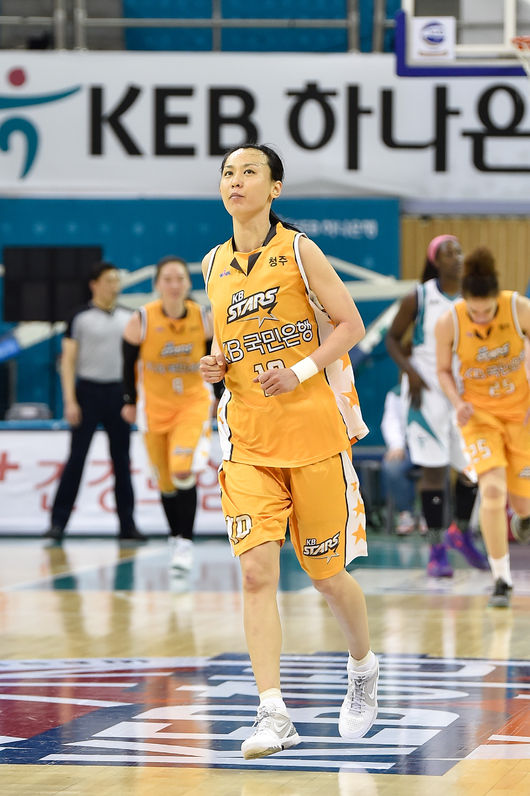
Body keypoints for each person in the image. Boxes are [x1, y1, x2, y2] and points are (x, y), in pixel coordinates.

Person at [199, 143, 379, 760]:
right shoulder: (212, 263)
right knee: (255, 573)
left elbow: (351, 326)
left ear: (274, 187)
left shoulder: (300, 250)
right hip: (248, 444)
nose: (236, 180)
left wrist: (300, 371)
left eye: (249, 171)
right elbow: (227, 343)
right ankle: (273, 712)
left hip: (313, 438)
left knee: (327, 577)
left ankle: (363, 666)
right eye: (228, 172)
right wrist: (215, 365)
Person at [386, 235, 488, 576]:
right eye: (449, 252)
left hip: (463, 394)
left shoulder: (473, 298)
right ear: (435, 261)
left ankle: (460, 531)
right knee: (434, 470)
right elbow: (392, 339)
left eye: (460, 251)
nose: (458, 257)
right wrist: (411, 373)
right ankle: (436, 548)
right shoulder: (419, 297)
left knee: (472, 468)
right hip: (426, 391)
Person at [435, 247, 530, 608]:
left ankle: (524, 516)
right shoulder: (450, 322)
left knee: (522, 505)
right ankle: (501, 580)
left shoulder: (519, 308)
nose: (480, 317)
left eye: (486, 311)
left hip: (519, 415)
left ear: (496, 298)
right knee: (491, 491)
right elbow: (443, 370)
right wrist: (457, 402)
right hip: (479, 418)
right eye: (473, 311)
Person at [121, 255, 219, 571]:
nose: (174, 285)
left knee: (181, 470)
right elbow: (127, 365)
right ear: (157, 284)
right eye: (168, 279)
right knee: (164, 481)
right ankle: (176, 537)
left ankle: (186, 542)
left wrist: (219, 396)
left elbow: (217, 360)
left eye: (180, 279)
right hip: (153, 409)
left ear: (188, 284)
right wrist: (129, 400)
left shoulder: (203, 317)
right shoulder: (141, 319)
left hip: (191, 405)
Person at [45, 261, 144, 543]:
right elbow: (68, 362)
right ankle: (58, 523)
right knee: (76, 458)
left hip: (119, 394)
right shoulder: (79, 318)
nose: (114, 285)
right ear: (94, 284)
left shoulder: (129, 317)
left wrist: (135, 398)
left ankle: (127, 525)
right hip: (87, 393)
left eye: (116, 280)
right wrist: (70, 400)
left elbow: (138, 362)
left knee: (122, 461)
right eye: (109, 280)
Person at [380, 384, 426, 535]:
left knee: (436, 467)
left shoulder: (437, 387)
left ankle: (429, 514)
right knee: (392, 466)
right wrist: (396, 445)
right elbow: (390, 422)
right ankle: (406, 513)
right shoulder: (395, 394)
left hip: (432, 446)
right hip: (407, 447)